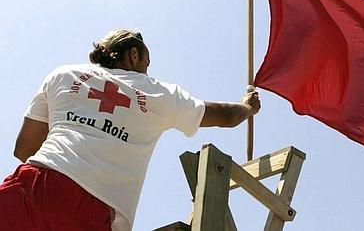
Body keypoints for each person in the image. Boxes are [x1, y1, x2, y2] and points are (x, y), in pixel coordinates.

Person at [0, 29, 260, 231]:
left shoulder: (64, 73)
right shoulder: (159, 93)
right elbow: (225, 116)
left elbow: (24, 148)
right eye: (147, 62)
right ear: (134, 54)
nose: (147, 69)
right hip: (92, 207)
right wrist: (247, 107)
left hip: (32, 184)